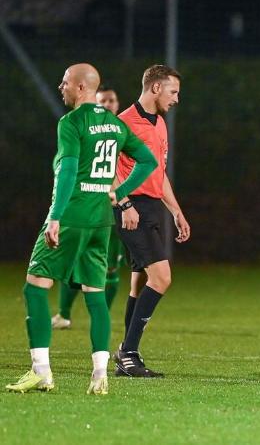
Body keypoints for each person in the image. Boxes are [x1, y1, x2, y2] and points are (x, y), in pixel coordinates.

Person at [5, 63, 157, 395]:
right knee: (95, 295)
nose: (61, 87)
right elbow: (149, 161)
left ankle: (41, 371)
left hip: (72, 215)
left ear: (80, 88)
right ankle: (99, 375)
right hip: (101, 220)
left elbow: (69, 171)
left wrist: (56, 216)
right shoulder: (115, 126)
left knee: (35, 287)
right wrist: (117, 191)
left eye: (65, 83)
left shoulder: (71, 122)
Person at [112, 64, 191, 378]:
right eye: (173, 92)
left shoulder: (159, 124)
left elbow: (159, 173)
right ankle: (128, 353)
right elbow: (110, 171)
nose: (176, 99)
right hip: (132, 208)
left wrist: (176, 211)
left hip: (153, 207)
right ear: (156, 88)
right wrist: (125, 202)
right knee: (162, 278)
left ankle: (127, 355)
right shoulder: (123, 123)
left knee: (141, 282)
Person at [52, 85, 125, 330]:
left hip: (113, 208)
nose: (107, 104)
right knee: (74, 261)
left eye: (111, 100)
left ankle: (100, 317)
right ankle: (63, 313)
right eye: (102, 100)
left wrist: (122, 195)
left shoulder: (122, 130)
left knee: (111, 265)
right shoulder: (84, 128)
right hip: (86, 206)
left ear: (117, 103)